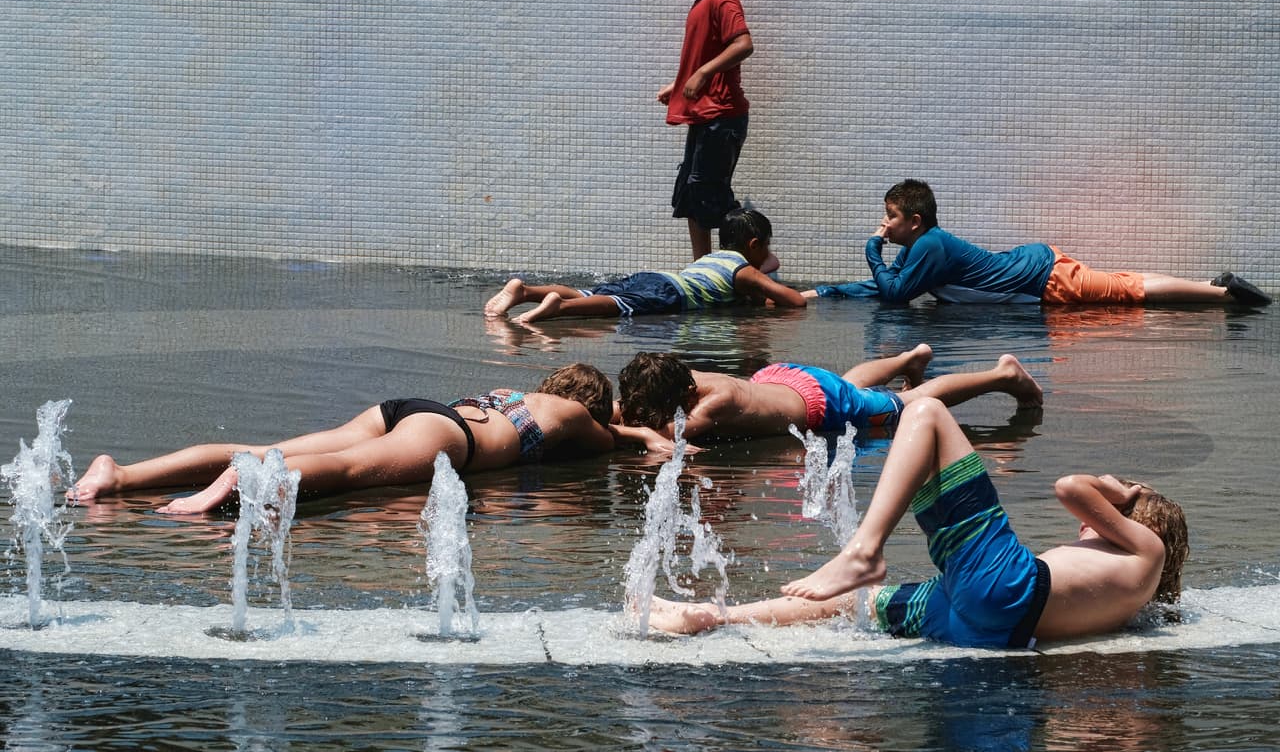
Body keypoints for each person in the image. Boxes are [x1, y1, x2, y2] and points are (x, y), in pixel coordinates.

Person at [647, 398, 1189, 649]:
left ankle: (865, 549)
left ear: (1139, 521)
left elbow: (1071, 487)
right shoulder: (1131, 598)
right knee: (857, 601)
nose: (1087, 529)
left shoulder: (1148, 553)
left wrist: (1123, 491)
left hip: (1008, 589)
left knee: (927, 411)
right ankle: (713, 618)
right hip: (983, 624)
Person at [67, 364, 659, 514]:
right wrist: (647, 438)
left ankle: (119, 475)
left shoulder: (518, 394)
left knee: (279, 444)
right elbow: (611, 441)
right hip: (448, 438)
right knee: (346, 471)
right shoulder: (575, 417)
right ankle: (227, 488)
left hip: (411, 409)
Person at [808, 179, 1272, 307]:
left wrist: (872, 248)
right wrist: (823, 293)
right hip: (1038, 265)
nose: (883, 225)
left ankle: (1221, 294)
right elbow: (884, 287)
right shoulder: (921, 248)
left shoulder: (928, 247)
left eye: (890, 218)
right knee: (1123, 282)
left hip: (1046, 281)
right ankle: (1211, 285)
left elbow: (892, 294)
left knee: (1128, 292)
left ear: (914, 220)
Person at [613, 344, 1042, 445]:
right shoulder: (681, 375)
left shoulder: (714, 404)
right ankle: (910, 358)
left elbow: (668, 439)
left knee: (905, 406)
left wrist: (619, 427)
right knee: (849, 383)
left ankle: (1002, 375)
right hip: (783, 378)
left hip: (822, 406)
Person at [484, 207, 804, 324]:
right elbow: (796, 301)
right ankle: (561, 308)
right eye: (767, 247)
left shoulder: (712, 259)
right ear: (754, 246)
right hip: (669, 293)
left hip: (657, 277)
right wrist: (766, 276)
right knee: (617, 306)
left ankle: (525, 291)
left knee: (593, 291)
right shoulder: (744, 270)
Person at [659, 0, 754, 261]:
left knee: (711, 193)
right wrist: (682, 82)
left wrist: (701, 73)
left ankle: (757, 257)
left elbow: (743, 44)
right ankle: (701, 266)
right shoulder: (703, 1)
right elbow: (705, 53)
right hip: (705, 114)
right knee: (691, 192)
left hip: (722, 117)